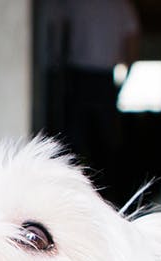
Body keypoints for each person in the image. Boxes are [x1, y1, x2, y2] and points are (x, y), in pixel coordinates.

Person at [41, 0, 140, 200]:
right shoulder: (120, 5)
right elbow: (132, 44)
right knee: (95, 148)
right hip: (86, 78)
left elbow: (57, 32)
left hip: (85, 78)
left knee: (83, 148)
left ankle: (91, 202)